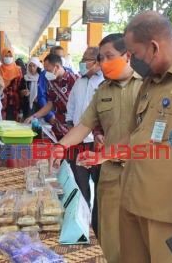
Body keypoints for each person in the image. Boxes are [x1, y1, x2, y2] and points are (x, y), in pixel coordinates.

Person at [80, 11, 172, 263]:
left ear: (154, 47)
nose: (131, 62)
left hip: (169, 217)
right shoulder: (150, 82)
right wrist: (102, 156)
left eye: (134, 55)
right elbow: (134, 134)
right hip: (132, 205)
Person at [49, 33, 143, 263]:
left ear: (127, 55)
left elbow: (142, 133)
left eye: (109, 56)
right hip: (110, 173)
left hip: (142, 173)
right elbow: (84, 125)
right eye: (101, 58)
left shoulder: (147, 86)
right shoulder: (102, 90)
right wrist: (61, 146)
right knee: (108, 237)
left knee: (139, 241)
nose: (104, 63)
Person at [65, 46, 105, 236]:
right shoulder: (79, 82)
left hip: (98, 144)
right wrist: (72, 131)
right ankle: (83, 222)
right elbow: (71, 106)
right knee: (80, 184)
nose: (82, 62)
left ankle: (97, 225)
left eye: (85, 59)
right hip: (77, 142)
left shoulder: (105, 82)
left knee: (99, 185)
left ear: (96, 61)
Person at [25, 53, 79, 141]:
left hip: (73, 129)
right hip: (58, 129)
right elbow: (50, 104)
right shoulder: (50, 83)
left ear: (57, 67)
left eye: (48, 70)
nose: (46, 73)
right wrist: (34, 116)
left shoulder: (75, 80)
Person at [37, 46, 73, 125]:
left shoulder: (73, 78)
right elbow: (44, 98)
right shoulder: (48, 78)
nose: (61, 58)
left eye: (62, 56)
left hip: (71, 122)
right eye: (59, 56)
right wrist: (49, 115)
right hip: (54, 120)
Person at [0, 48, 23, 121]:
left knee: (14, 123)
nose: (8, 58)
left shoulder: (18, 69)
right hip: (2, 100)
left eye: (10, 56)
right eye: (6, 56)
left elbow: (21, 85)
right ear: (2, 56)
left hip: (15, 101)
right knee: (2, 123)